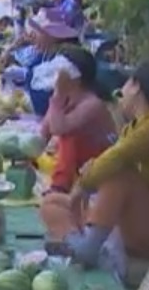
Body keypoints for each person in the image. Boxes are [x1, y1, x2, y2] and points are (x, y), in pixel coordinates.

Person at [57, 61, 149, 283]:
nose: (122, 92)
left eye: (126, 84)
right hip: (135, 220)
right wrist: (89, 174)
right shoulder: (135, 126)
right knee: (52, 203)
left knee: (118, 176)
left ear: (136, 86)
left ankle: (89, 249)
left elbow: (116, 158)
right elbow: (106, 160)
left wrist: (82, 184)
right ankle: (86, 242)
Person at [34, 48, 120, 210]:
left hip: (102, 164)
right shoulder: (66, 99)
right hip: (80, 165)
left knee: (70, 136)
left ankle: (60, 187)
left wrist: (58, 93)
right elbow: (45, 131)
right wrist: (27, 153)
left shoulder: (92, 104)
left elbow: (59, 128)